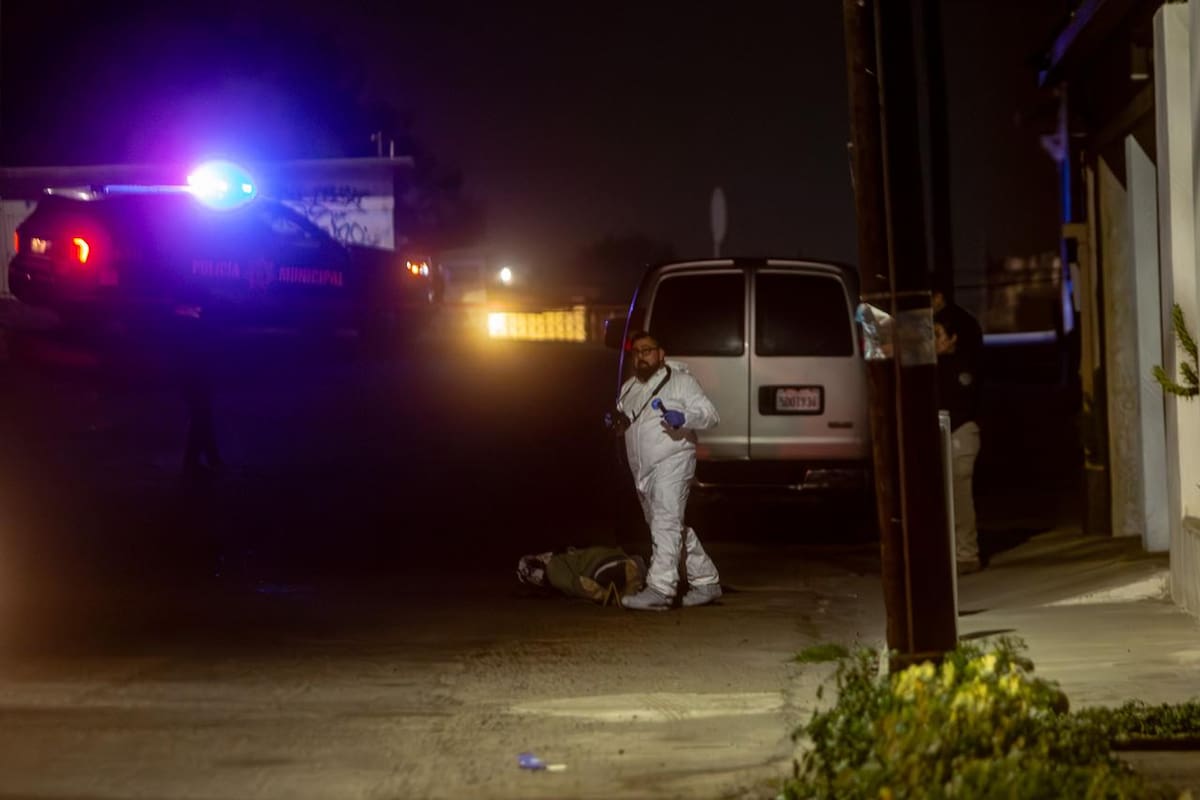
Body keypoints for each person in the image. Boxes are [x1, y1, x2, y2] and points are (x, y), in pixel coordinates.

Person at [605, 331, 722, 610]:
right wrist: (615, 422)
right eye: (637, 352)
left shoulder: (681, 382)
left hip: (673, 461)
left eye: (647, 350)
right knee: (669, 526)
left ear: (661, 353)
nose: (641, 356)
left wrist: (685, 417)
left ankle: (661, 589)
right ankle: (706, 581)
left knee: (665, 523)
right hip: (643, 470)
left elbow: (711, 415)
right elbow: (625, 426)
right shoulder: (630, 388)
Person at [934, 310, 983, 576]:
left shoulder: (962, 366)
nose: (934, 341)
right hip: (946, 433)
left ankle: (967, 552)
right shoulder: (934, 366)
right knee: (947, 496)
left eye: (939, 335)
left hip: (960, 434)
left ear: (953, 338)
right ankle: (953, 552)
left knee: (960, 495)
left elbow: (961, 403)